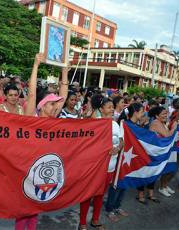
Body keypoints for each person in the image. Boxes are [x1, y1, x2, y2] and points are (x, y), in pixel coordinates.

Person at [14, 53, 69, 230]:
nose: (56, 107)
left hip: (43, 170)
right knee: (23, 210)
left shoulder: (54, 119)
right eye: (52, 104)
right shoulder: (33, 117)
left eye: (56, 104)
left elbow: (64, 95)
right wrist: (36, 64)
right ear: (42, 105)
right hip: (26, 169)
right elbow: (31, 94)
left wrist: (64, 72)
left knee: (35, 208)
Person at [79, 97, 123, 229]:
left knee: (100, 195)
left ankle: (95, 220)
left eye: (112, 107)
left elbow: (121, 141)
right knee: (88, 195)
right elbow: (87, 145)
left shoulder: (115, 124)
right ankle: (82, 223)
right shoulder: (94, 124)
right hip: (96, 168)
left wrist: (118, 148)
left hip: (110, 166)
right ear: (101, 109)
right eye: (109, 107)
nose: (112, 109)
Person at [106, 103, 146, 220]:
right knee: (117, 184)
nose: (143, 114)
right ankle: (110, 209)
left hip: (129, 159)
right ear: (136, 112)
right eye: (142, 111)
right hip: (121, 159)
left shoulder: (135, 125)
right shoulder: (124, 124)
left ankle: (117, 206)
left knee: (125, 183)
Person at [143, 106, 179, 202]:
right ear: (156, 115)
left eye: (166, 113)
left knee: (154, 173)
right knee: (149, 173)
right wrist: (174, 128)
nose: (165, 115)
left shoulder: (162, 123)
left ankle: (150, 194)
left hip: (157, 153)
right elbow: (167, 135)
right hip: (152, 153)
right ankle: (141, 195)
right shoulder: (156, 123)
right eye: (163, 114)